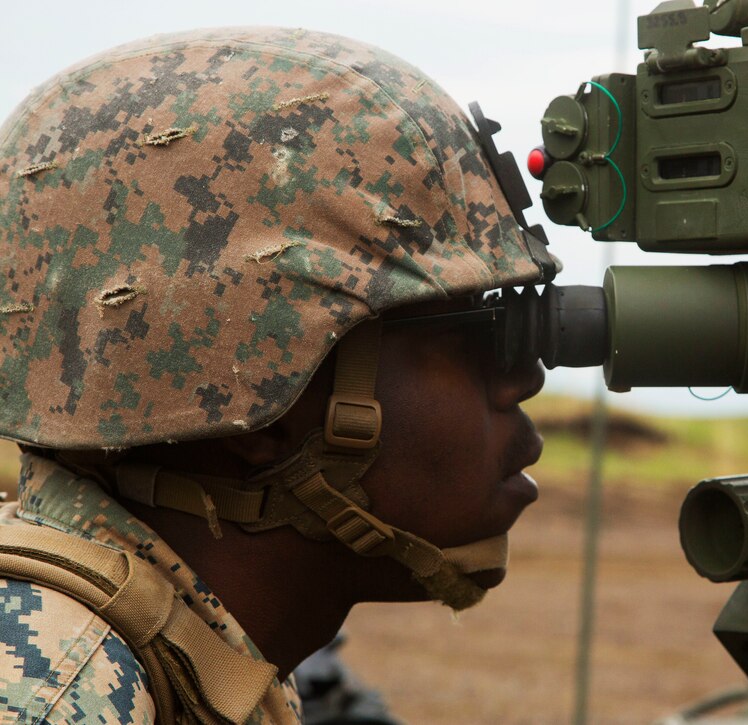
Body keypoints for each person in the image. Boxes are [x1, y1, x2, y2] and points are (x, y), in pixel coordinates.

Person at [0, 26, 556, 723]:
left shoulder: (171, 663)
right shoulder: (56, 694)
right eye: (472, 331)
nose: (521, 379)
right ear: (257, 396)